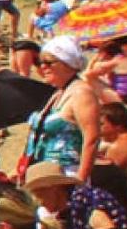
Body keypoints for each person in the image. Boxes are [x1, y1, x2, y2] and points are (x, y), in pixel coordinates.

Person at [24, 36, 104, 185]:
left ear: (68, 64)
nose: (43, 67)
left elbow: (92, 139)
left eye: (48, 62)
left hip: (66, 174)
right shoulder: (58, 93)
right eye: (40, 63)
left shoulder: (81, 93)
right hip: (44, 172)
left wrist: (81, 178)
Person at [86, 36, 127, 103]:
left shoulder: (115, 62)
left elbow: (88, 73)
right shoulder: (123, 58)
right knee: (106, 76)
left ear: (105, 53)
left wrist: (94, 60)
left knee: (90, 77)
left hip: (123, 98)